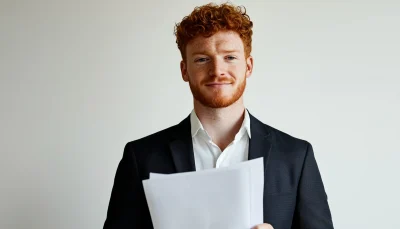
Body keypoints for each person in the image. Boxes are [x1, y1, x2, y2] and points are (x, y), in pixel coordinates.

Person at [103, 2, 334, 229]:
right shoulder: (141, 157)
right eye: (202, 59)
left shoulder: (295, 155)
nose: (217, 70)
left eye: (230, 57)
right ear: (185, 70)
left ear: (249, 66)